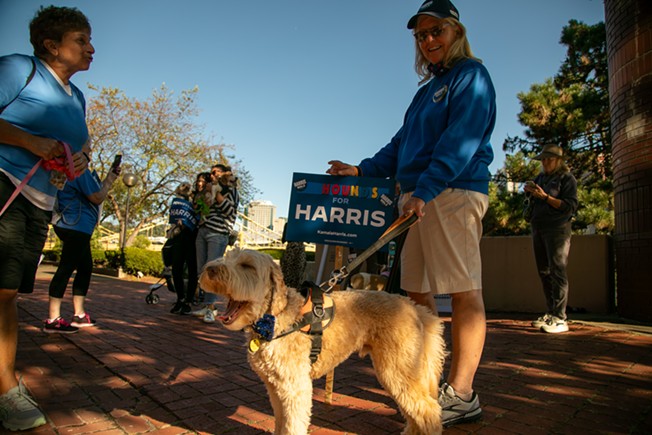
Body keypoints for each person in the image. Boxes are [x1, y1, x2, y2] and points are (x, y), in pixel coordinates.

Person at [326, 0, 495, 426]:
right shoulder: (424, 93)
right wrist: (362, 170)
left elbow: (462, 139)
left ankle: (462, 392)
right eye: (421, 35)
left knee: (461, 290)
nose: (428, 40)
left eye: (436, 30)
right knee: (417, 298)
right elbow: (400, 145)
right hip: (417, 198)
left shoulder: (471, 76)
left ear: (455, 31)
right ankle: (426, 383)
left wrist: (428, 188)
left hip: (452, 191)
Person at [0, 5, 93, 430]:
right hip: (4, 186)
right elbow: (30, 139)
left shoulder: (78, 98)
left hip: (40, 201)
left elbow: (78, 156)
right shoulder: (20, 69)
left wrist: (77, 162)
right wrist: (30, 142)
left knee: (8, 294)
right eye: (82, 40)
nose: (91, 49)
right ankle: (6, 388)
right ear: (51, 45)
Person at [44, 154, 121, 333]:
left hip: (71, 224)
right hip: (76, 225)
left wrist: (110, 177)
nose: (90, 151)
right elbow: (97, 197)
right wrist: (109, 182)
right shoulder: (79, 170)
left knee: (85, 267)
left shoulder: (68, 167)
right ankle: (53, 318)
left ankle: (79, 314)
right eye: (88, 147)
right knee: (66, 268)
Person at [524, 144, 578, 334]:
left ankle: (561, 317)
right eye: (543, 159)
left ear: (559, 161)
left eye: (549, 158)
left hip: (557, 229)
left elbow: (570, 206)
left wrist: (545, 197)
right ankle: (551, 312)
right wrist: (530, 191)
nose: (545, 162)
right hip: (538, 228)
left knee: (557, 271)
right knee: (544, 272)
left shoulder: (567, 178)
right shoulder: (541, 178)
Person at [193, 164, 239, 323]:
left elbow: (230, 211)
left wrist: (217, 194)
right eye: (211, 173)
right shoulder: (209, 188)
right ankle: (206, 306)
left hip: (218, 233)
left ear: (224, 174)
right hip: (203, 230)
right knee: (202, 270)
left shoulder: (231, 190)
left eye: (215, 173)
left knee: (212, 271)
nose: (211, 176)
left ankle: (211, 308)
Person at [167, 182, 199, 315]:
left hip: (192, 236)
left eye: (187, 187)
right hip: (178, 236)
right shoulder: (175, 202)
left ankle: (188, 301)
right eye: (182, 186)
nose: (185, 188)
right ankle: (180, 298)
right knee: (176, 268)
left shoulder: (195, 200)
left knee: (193, 270)